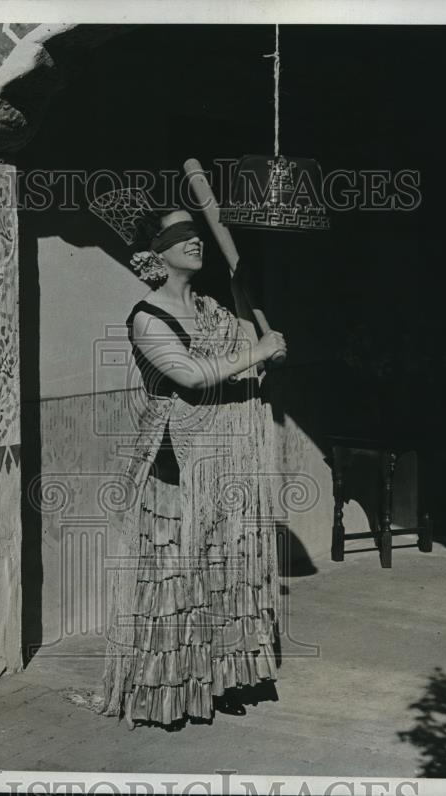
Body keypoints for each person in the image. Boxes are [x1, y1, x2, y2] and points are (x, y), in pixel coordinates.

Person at [98, 205, 287, 728]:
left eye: (197, 231)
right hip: (173, 463)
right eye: (181, 233)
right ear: (154, 253)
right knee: (180, 576)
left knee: (223, 569)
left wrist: (265, 352)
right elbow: (191, 376)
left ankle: (222, 680)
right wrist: (257, 352)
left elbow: (245, 358)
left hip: (223, 461)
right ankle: (168, 694)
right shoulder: (146, 316)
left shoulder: (214, 310)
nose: (196, 240)